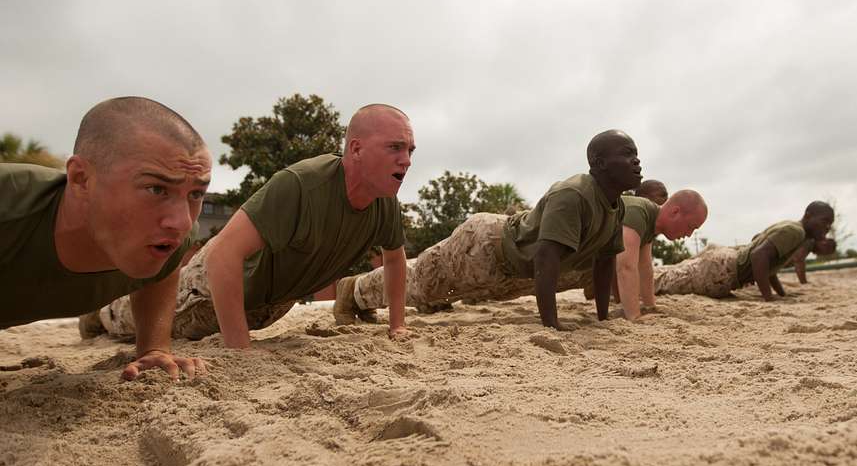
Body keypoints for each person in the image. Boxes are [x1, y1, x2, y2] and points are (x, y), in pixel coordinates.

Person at [94, 104, 414, 348]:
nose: (407, 160)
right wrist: (240, 348)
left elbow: (395, 259)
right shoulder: (302, 185)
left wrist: (397, 325)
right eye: (395, 147)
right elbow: (222, 256)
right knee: (131, 320)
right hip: (209, 291)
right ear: (356, 149)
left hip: (266, 305)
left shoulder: (383, 202)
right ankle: (97, 315)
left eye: (410, 150)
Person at [336, 129, 643, 330]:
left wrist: (603, 318)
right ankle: (353, 291)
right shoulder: (573, 194)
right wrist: (551, 325)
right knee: (420, 284)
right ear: (600, 163)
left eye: (636, 154)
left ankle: (370, 293)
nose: (636, 161)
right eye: (627, 154)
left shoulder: (618, 207)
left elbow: (604, 264)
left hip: (511, 266)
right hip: (484, 246)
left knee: (429, 288)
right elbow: (546, 259)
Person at [1, 97, 210, 380]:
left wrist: (154, 348)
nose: (182, 222)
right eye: (156, 189)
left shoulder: (170, 237)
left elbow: (162, 275)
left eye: (196, 194)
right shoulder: (9, 207)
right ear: (81, 179)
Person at [653, 201, 834, 301]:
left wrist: (781, 294)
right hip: (723, 270)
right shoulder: (796, 232)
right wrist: (768, 298)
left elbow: (768, 266)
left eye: (830, 224)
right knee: (662, 282)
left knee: (669, 273)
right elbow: (759, 256)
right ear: (808, 215)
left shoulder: (793, 229)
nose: (826, 228)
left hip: (724, 262)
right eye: (824, 221)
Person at [614, 189, 707, 319]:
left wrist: (650, 307)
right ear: (675, 212)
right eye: (690, 226)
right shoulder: (638, 213)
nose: (689, 234)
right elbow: (626, 268)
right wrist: (635, 316)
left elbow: (644, 268)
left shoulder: (649, 222)